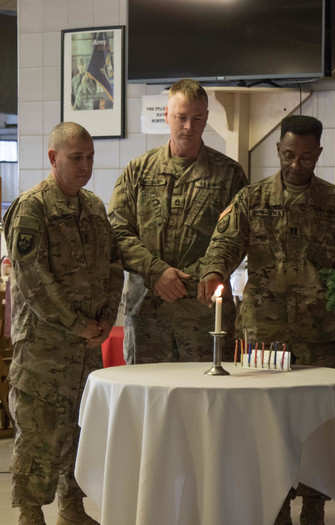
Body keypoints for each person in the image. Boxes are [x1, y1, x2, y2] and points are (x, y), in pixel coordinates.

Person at [197, 115, 335, 525]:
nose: (295, 165)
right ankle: (276, 503)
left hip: (319, 330)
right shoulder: (252, 199)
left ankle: (314, 505)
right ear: (278, 151)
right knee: (268, 424)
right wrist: (213, 271)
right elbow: (225, 243)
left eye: (306, 157)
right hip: (264, 332)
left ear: (319, 154)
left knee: (316, 424)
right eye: (288, 155)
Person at [4, 122, 124, 525]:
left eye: (90, 157)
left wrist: (106, 318)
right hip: (43, 348)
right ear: (54, 158)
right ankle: (30, 513)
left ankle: (72, 508)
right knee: (38, 432)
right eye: (77, 158)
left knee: (80, 429)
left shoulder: (92, 206)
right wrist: (76, 324)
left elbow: (112, 266)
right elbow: (33, 281)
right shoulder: (32, 207)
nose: (86, 166)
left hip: (85, 347)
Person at [108, 78, 248, 364]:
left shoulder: (229, 174)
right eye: (181, 118)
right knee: (148, 401)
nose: (188, 127)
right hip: (148, 311)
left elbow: (238, 235)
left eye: (196, 118)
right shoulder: (139, 171)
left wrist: (201, 274)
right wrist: (156, 271)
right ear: (167, 116)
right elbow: (117, 231)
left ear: (206, 117)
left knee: (207, 403)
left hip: (204, 311)